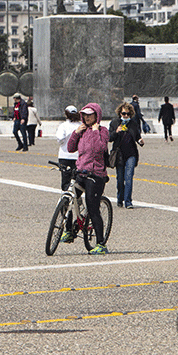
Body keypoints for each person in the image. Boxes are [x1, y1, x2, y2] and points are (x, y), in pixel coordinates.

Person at [65, 103, 110, 254]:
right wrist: (76, 133)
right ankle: (69, 230)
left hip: (96, 174)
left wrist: (96, 131)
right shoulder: (82, 130)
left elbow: (99, 148)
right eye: (84, 114)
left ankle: (101, 244)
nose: (86, 117)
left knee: (92, 207)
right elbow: (71, 148)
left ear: (97, 116)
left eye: (90, 115)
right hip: (81, 171)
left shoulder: (103, 131)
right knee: (70, 199)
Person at [110, 102, 144, 208]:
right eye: (124, 113)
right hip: (119, 154)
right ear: (120, 113)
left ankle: (128, 201)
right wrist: (116, 132)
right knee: (120, 179)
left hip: (131, 154)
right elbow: (109, 137)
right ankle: (120, 198)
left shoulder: (133, 124)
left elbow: (137, 136)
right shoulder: (114, 123)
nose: (126, 116)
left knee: (128, 178)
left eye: (128, 114)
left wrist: (140, 141)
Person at [55, 105, 81, 191]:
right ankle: (77, 198)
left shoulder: (63, 126)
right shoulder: (81, 125)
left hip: (64, 155)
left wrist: (64, 142)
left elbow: (60, 138)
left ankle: (65, 198)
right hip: (78, 156)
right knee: (78, 180)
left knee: (66, 180)